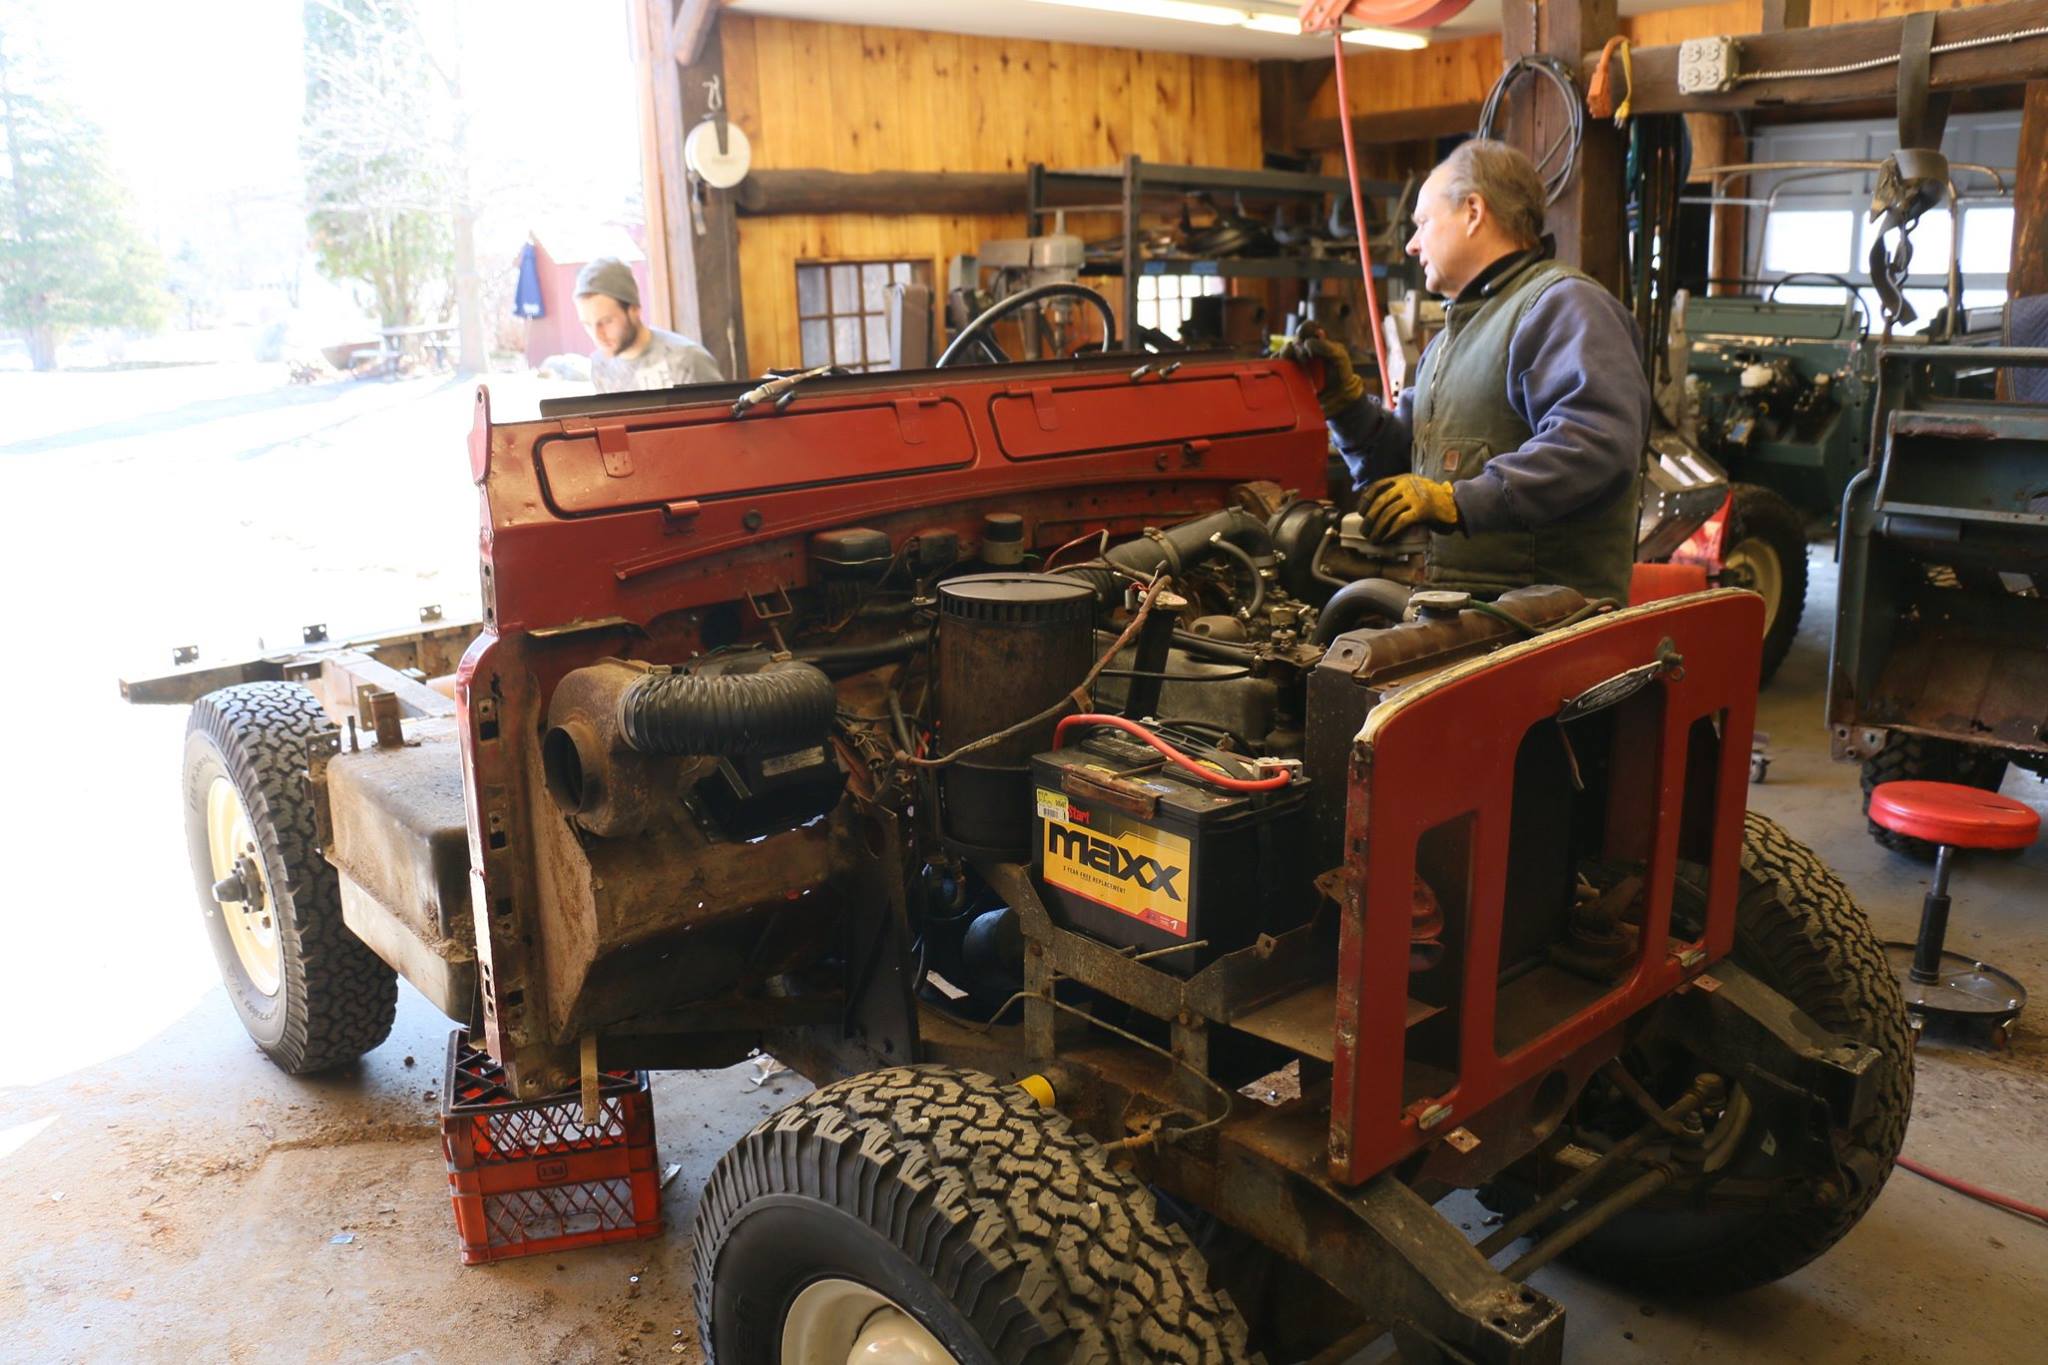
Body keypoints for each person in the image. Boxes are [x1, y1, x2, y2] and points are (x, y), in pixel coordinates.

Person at [1289, 139, 1650, 605]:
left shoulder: (1563, 306)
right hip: (1468, 613)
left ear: (1474, 211)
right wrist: (1346, 406)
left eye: (1422, 222)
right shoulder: (1449, 339)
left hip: (1549, 622)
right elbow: (1407, 471)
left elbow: (1595, 445)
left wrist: (1458, 501)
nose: (1412, 243)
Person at [573, 257, 724, 393]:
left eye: (606, 321)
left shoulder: (686, 359)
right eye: (587, 325)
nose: (597, 335)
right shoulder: (601, 366)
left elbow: (722, 421)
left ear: (634, 310)